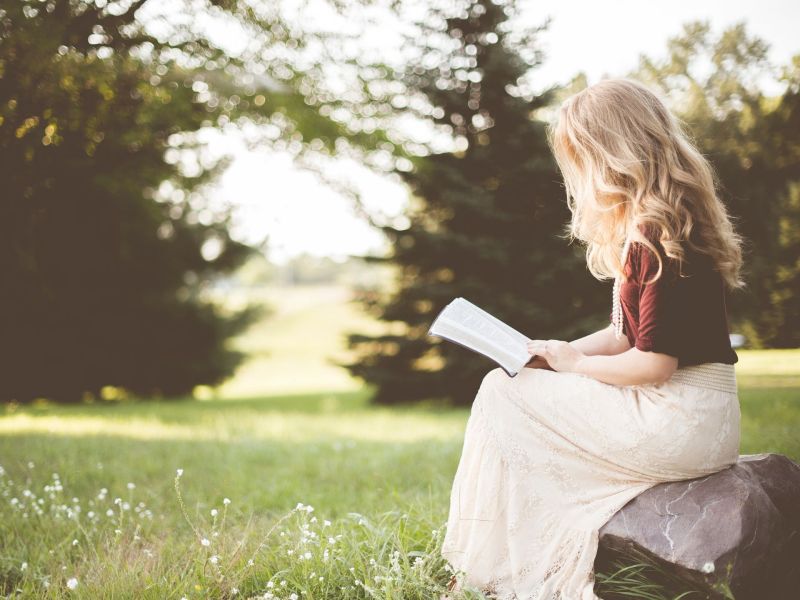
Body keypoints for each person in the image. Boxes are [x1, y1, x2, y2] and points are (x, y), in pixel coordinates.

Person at [440, 78, 745, 600]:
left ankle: (492, 567)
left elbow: (653, 365)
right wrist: (557, 352)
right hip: (702, 416)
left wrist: (574, 367)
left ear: (612, 154)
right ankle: (499, 562)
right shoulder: (669, 224)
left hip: (678, 417)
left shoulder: (654, 233)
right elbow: (622, 335)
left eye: (581, 157)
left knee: (500, 391)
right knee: (512, 384)